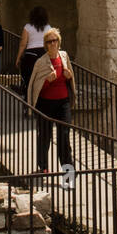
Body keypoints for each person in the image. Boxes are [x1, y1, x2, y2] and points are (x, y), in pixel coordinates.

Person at [28, 28, 75, 174]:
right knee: (44, 136)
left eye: (55, 40)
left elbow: (70, 77)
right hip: (45, 104)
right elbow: (35, 84)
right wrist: (47, 81)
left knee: (64, 137)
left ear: (59, 42)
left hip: (63, 103)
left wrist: (68, 76)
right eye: (49, 41)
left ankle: (68, 173)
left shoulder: (64, 56)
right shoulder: (41, 62)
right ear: (46, 44)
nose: (53, 43)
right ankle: (43, 168)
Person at [16, 6, 52, 104]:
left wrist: (18, 58)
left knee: (29, 82)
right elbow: (51, 43)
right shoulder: (48, 28)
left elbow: (23, 44)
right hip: (43, 55)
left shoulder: (27, 27)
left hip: (30, 56)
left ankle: (28, 106)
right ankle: (40, 105)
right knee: (42, 81)